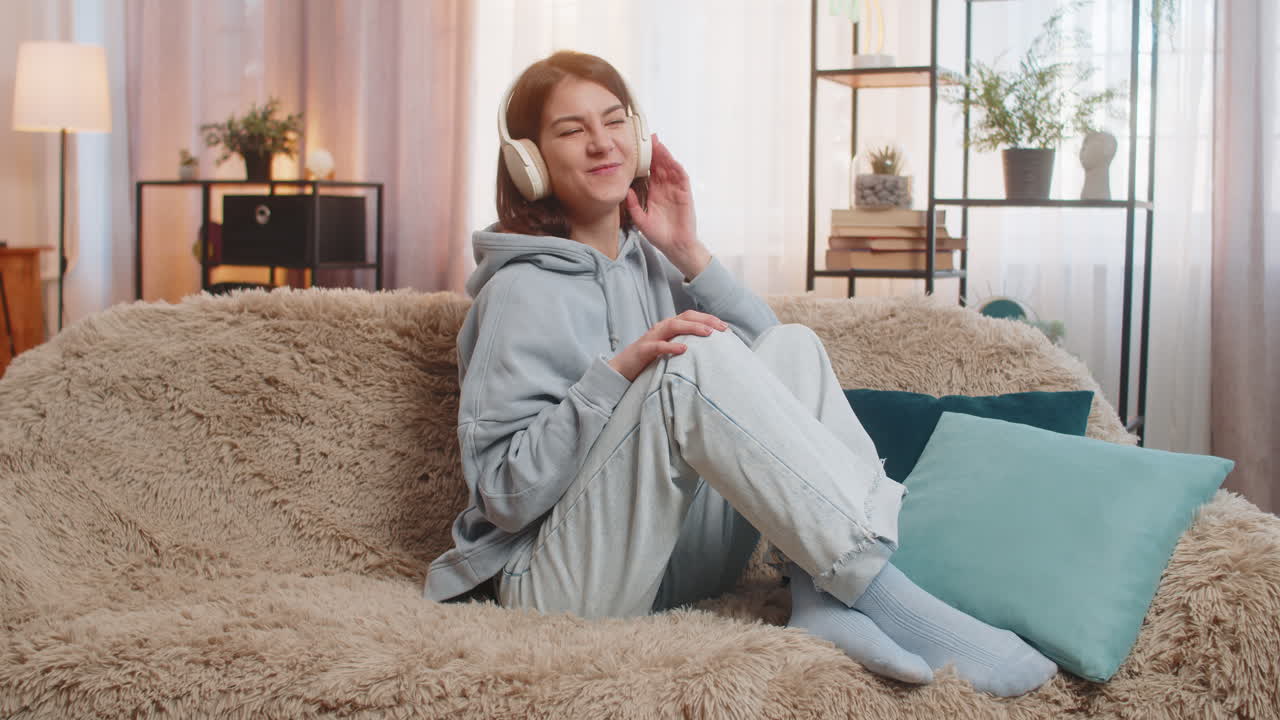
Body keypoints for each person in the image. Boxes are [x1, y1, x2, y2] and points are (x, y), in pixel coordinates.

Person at [425, 50, 1057, 697]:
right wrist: (617, 374)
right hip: (558, 581)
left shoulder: (652, 265)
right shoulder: (518, 293)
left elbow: (770, 388)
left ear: (638, 137)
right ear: (529, 161)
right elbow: (502, 495)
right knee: (687, 361)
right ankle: (884, 594)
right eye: (570, 130)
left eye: (613, 121)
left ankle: (824, 598)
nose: (600, 143)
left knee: (792, 347)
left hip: (667, 560)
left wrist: (689, 254)